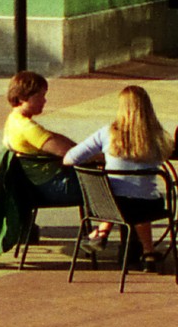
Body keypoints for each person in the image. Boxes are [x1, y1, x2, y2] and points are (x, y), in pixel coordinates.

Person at [62, 85, 172, 263]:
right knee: (141, 194)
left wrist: (101, 158)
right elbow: (167, 153)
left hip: (111, 206)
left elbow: (69, 158)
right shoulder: (158, 136)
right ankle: (148, 251)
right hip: (148, 206)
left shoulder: (107, 133)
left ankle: (101, 232)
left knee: (118, 194)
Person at [2, 72, 73, 157]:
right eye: (40, 96)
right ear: (21, 98)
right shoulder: (28, 128)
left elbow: (55, 137)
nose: (44, 100)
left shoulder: (13, 119)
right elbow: (71, 154)